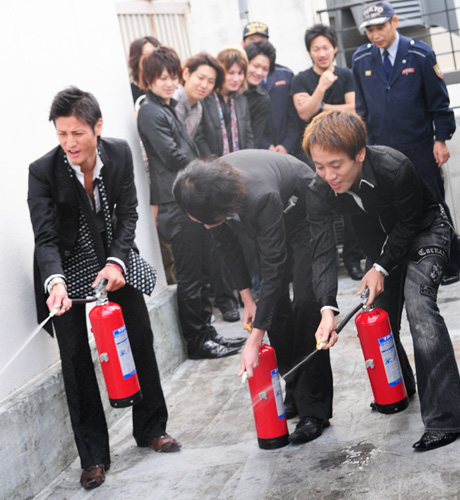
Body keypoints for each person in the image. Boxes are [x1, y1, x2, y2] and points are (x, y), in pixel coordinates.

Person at [27, 87, 181, 490]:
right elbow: (45, 238)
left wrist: (116, 261)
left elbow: (128, 213)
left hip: (114, 257)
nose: (69, 143)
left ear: (97, 127)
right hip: (66, 268)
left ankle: (151, 427)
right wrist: (55, 283)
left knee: (140, 338)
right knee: (75, 359)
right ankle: (93, 457)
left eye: (77, 133)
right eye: (62, 134)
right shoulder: (42, 171)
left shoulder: (119, 154)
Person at [304, 110, 460, 451]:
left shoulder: (394, 166)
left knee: (419, 305)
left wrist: (381, 267)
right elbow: (322, 251)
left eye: (336, 165)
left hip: (425, 231)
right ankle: (398, 389)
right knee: (377, 317)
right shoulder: (319, 190)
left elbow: (409, 224)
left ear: (359, 153)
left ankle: (445, 419)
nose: (328, 176)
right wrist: (327, 309)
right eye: (319, 166)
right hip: (380, 247)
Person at [173, 150, 334, 445]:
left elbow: (273, 268)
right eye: (200, 221)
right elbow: (228, 248)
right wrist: (248, 300)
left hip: (303, 214)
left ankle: (314, 409)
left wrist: (254, 339)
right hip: (269, 222)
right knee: (276, 311)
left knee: (305, 306)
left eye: (207, 220)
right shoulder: (210, 196)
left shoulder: (260, 196)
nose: (206, 226)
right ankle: (295, 388)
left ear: (221, 204)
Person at [137, 46, 244, 358]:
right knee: (190, 278)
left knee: (201, 274)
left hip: (186, 202)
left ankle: (209, 334)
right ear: (148, 79)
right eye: (161, 78)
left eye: (172, 77)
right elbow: (173, 156)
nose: (169, 83)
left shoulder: (167, 107)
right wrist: (207, 171)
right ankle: (198, 343)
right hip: (174, 204)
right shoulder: (150, 111)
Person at [353, 0, 460, 285]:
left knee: (434, 204)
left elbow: (439, 103)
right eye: (370, 30)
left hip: (419, 146)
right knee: (392, 210)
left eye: (380, 27)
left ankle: (452, 263)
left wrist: (441, 139)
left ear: (395, 22)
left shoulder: (419, 53)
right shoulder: (361, 58)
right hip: (381, 150)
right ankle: (402, 265)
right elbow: (362, 110)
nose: (375, 35)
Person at [292, 24, 363, 280]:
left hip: (345, 150)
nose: (321, 53)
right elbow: (304, 113)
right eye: (316, 49)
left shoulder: (346, 74)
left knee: (353, 205)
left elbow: (355, 108)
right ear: (309, 52)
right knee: (319, 206)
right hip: (315, 154)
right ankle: (326, 260)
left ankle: (353, 259)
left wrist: (321, 105)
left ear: (334, 48)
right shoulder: (301, 79)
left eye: (325, 47)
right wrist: (321, 86)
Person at [173, 52, 240, 322]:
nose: (204, 85)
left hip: (192, 183)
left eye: (210, 81)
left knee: (211, 246)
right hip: (177, 190)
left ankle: (214, 311)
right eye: (200, 78)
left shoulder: (197, 107)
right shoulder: (173, 103)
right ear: (186, 73)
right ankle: (201, 323)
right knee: (190, 264)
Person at [241, 21, 301, 156]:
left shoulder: (286, 74)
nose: (257, 44)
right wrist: (266, 146)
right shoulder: (236, 83)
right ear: (243, 44)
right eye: (252, 41)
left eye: (262, 41)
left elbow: (294, 115)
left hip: (286, 149)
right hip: (254, 151)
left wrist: (287, 144)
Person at [195, 47, 254, 157]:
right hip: (212, 164)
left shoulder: (241, 100)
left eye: (240, 73)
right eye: (230, 73)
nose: (236, 79)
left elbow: (248, 136)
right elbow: (199, 138)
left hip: (240, 162)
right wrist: (214, 163)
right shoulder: (205, 99)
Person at [243, 40, 275, 147]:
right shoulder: (228, 89)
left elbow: (254, 137)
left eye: (265, 69)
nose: (259, 72)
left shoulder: (262, 99)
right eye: (255, 66)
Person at [128, 36, 161, 104]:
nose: (153, 59)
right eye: (147, 55)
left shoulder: (165, 88)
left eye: (155, 54)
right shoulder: (129, 92)